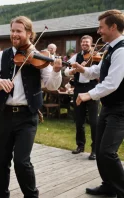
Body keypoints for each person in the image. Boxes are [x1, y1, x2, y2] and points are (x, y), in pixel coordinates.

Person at [0, 16, 62, 198]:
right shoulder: (3, 55)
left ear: (28, 33)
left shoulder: (40, 57)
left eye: (19, 31)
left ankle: (31, 196)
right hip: (4, 114)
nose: (14, 34)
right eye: (12, 30)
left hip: (27, 116)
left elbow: (51, 85)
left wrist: (56, 71)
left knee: (21, 161)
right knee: (1, 162)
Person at [74, 9, 124, 198]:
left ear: (113, 27)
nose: (98, 31)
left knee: (108, 152)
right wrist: (83, 70)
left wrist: (89, 94)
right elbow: (98, 70)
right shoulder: (110, 48)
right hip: (109, 108)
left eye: (101, 27)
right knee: (101, 151)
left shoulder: (122, 50)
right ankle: (109, 185)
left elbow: (112, 83)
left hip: (120, 109)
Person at [64, 35, 99, 160]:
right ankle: (80, 145)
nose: (84, 44)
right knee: (79, 119)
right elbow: (66, 71)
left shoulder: (96, 56)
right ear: (81, 44)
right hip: (78, 89)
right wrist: (73, 71)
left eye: (87, 42)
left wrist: (87, 69)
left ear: (91, 44)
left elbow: (102, 71)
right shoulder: (76, 56)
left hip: (92, 89)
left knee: (94, 121)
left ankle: (95, 149)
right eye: (83, 42)